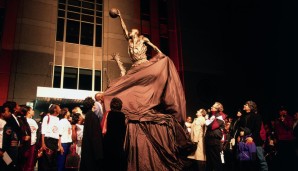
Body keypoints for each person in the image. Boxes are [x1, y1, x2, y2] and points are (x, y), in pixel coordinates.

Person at [103, 8, 191, 170]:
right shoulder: (129, 40)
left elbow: (154, 47)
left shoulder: (143, 38)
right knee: (124, 86)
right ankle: (128, 103)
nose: (130, 32)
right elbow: (124, 29)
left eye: (132, 31)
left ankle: (149, 103)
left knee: (146, 87)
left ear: (137, 33)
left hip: (145, 64)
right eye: (129, 32)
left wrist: (161, 55)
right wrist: (121, 16)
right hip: (135, 68)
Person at [238, 101, 268, 171]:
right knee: (246, 160)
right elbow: (241, 128)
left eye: (246, 105)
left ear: (250, 107)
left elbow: (257, 129)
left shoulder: (257, 116)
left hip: (255, 141)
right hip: (245, 140)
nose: (244, 105)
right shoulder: (243, 117)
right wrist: (239, 136)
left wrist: (252, 137)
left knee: (260, 160)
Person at [80, 97, 104, 171]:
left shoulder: (88, 116)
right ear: (92, 105)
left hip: (87, 149)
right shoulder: (93, 116)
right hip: (92, 151)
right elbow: (95, 136)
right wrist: (99, 153)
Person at [103, 97, 127, 171]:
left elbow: (104, 128)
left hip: (108, 141)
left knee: (108, 163)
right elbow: (124, 130)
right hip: (118, 142)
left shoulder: (108, 114)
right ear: (120, 106)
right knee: (117, 164)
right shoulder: (122, 116)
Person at [205, 102, 226, 171]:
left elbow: (212, 126)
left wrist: (207, 121)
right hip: (209, 140)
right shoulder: (212, 116)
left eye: (213, 106)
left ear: (217, 109)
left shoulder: (220, 116)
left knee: (216, 160)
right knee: (209, 160)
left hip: (214, 141)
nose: (211, 107)